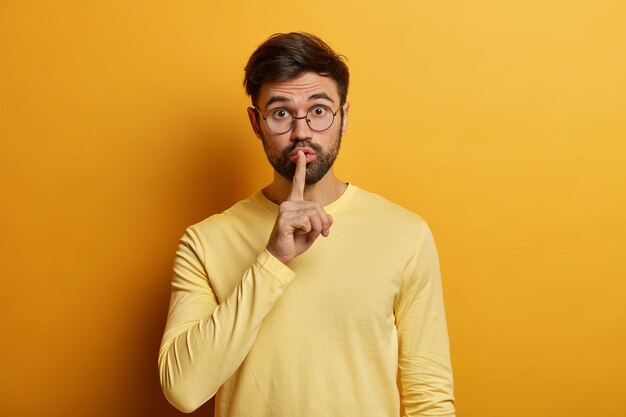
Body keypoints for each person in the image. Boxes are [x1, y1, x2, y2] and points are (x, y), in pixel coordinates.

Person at [158, 32, 455, 417]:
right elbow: (183, 389)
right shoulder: (204, 242)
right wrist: (272, 260)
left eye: (319, 111)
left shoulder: (405, 234)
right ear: (256, 122)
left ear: (343, 117)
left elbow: (428, 396)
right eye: (281, 113)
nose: (301, 132)